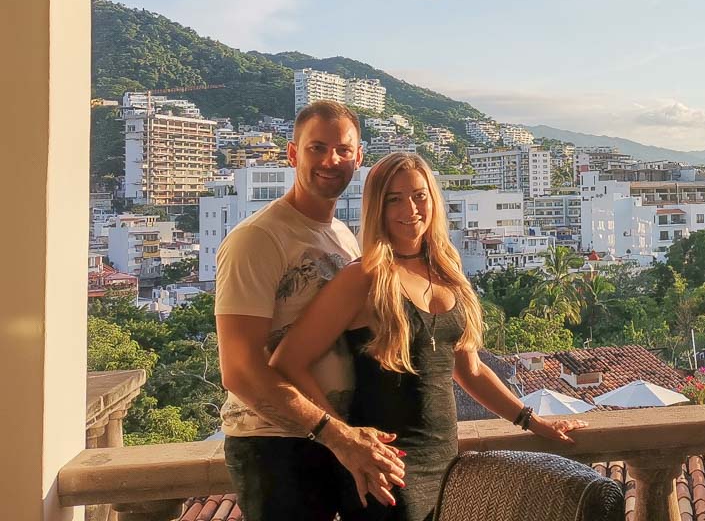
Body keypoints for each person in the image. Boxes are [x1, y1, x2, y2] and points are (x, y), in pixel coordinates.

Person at [271, 152, 586, 521]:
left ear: (433, 200)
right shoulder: (364, 278)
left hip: (446, 463)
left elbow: (469, 369)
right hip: (387, 469)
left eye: (419, 195)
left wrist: (532, 421)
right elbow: (287, 362)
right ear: (378, 208)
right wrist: (342, 439)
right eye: (394, 199)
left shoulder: (449, 270)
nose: (410, 208)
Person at [215, 101, 407, 521]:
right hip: (276, 443)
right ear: (292, 153)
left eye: (342, 150)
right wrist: (334, 434)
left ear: (359, 157)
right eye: (316, 148)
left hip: (337, 437)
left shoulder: (343, 237)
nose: (330, 160)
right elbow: (240, 368)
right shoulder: (258, 238)